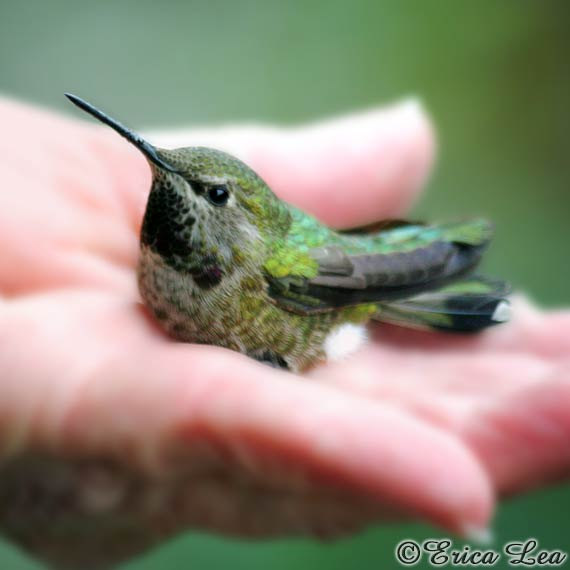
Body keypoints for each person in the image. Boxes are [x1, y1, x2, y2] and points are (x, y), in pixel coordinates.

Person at [0, 96, 568, 569]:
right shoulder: (162, 250)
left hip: (331, 298)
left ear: (239, 218)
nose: (164, 173)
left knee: (371, 305)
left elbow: (344, 287)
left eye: (214, 194)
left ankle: (455, 302)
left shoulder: (270, 266)